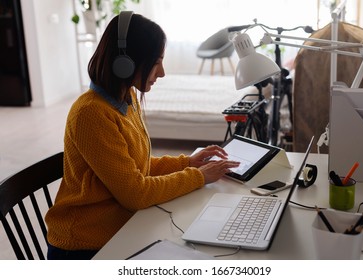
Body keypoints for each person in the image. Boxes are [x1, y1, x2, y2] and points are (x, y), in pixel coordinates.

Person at [44, 11, 240, 260]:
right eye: (156, 62)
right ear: (125, 62)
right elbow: (136, 194)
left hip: (121, 229)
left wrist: (188, 162)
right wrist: (198, 176)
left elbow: (135, 168)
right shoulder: (90, 113)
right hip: (85, 246)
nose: (162, 73)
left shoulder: (127, 97)